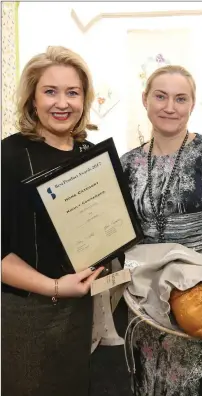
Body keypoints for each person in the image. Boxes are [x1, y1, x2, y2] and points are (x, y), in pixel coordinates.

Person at [1, 45, 105, 396]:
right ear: (32, 99)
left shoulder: (91, 155)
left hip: (79, 310)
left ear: (84, 99)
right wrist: (57, 288)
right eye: (50, 91)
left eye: (72, 92)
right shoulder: (9, 156)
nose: (62, 103)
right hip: (25, 313)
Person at [121, 65, 202, 395]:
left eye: (180, 98)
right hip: (147, 300)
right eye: (160, 96)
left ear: (192, 103)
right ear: (145, 100)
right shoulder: (126, 163)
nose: (169, 107)